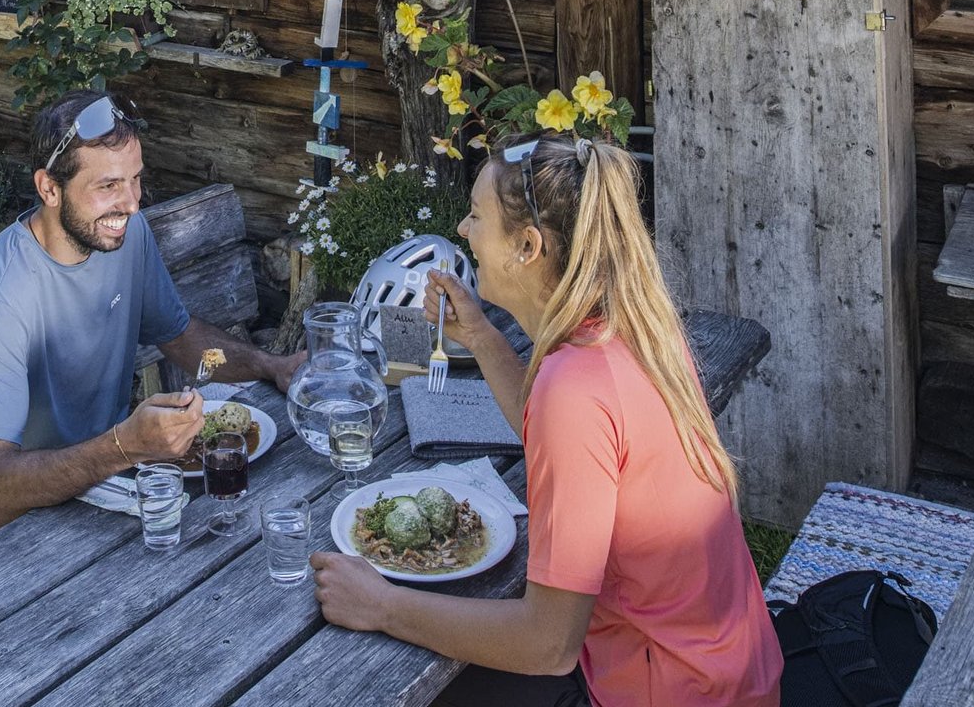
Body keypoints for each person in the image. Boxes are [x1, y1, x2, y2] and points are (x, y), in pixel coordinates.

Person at [311, 134, 782, 706]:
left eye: (476, 217)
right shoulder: (634, 327)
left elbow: (548, 644)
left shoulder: (574, 390)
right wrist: (482, 336)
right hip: (731, 675)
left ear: (527, 246)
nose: (463, 230)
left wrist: (382, 605)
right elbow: (553, 424)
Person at [0, 89, 302, 548]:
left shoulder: (126, 235)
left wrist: (271, 366)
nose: (132, 203)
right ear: (49, 188)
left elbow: (182, 339)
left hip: (105, 489)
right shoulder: (2, 296)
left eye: (135, 179)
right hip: (7, 529)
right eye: (108, 186)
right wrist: (125, 445)